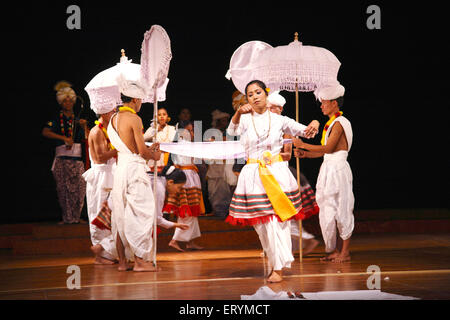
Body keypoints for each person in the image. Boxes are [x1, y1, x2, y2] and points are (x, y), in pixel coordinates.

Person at [226, 80, 319, 282]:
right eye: (250, 94)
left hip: (276, 174)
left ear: (266, 94)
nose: (255, 96)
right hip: (253, 175)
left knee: (276, 221)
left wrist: (315, 124)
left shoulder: (279, 120)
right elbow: (231, 131)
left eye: (258, 92)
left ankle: (278, 267)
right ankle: (277, 259)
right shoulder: (243, 119)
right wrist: (238, 113)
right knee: (261, 225)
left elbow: (305, 131)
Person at [293, 83, 354, 263]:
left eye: (324, 102)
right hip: (328, 168)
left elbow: (329, 148)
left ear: (334, 103)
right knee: (327, 209)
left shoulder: (341, 123)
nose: (321, 105)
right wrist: (305, 154)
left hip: (339, 170)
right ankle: (333, 249)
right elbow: (324, 152)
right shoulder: (330, 123)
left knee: (342, 207)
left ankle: (345, 252)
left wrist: (303, 144)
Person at [107, 75, 161, 272]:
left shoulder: (112, 118)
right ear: (136, 100)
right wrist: (155, 154)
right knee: (140, 213)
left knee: (120, 214)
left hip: (121, 169)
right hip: (134, 170)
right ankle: (140, 261)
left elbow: (128, 148)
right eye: (140, 101)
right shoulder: (134, 119)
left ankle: (123, 262)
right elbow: (141, 151)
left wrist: (148, 150)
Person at [266, 91, 320, 257]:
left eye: (275, 108)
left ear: (280, 109)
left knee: (284, 211)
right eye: (269, 108)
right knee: (270, 212)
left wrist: (268, 157)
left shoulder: (285, 127)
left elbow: (287, 154)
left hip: (283, 173)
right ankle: (272, 247)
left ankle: (306, 239)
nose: (271, 111)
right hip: (266, 173)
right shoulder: (262, 125)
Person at [42, 81, 89, 225]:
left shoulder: (78, 119)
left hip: (77, 159)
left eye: (70, 100)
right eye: (65, 100)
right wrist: (63, 138)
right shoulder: (57, 119)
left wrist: (85, 126)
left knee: (80, 189)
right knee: (64, 190)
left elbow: (87, 138)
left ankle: (76, 217)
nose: (67, 103)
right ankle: (67, 218)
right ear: (61, 102)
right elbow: (45, 132)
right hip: (62, 158)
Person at [82, 102, 118, 264]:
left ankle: (108, 252)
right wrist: (121, 147)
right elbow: (100, 157)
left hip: (111, 174)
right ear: (103, 113)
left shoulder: (110, 131)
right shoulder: (96, 132)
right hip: (100, 176)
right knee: (98, 213)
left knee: (111, 216)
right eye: (112, 111)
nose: (115, 114)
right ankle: (99, 254)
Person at [164, 120, 205, 252]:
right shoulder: (184, 145)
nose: (192, 133)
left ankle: (190, 241)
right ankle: (175, 240)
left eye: (192, 130)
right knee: (187, 211)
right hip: (187, 178)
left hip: (190, 176)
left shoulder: (181, 145)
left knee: (192, 211)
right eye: (190, 131)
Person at [206, 109, 235, 218]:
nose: (225, 123)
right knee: (214, 191)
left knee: (226, 191)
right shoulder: (211, 135)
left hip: (226, 166)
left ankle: (226, 213)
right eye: (223, 121)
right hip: (214, 166)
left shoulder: (228, 134)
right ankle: (216, 212)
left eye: (226, 121)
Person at [148, 165, 190, 231]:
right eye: (179, 187)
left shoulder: (155, 180)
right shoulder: (159, 188)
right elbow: (156, 218)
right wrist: (176, 225)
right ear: (170, 182)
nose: (178, 191)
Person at [144, 107, 177, 173]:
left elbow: (172, 143)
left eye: (164, 114)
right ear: (156, 117)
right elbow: (143, 139)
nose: (162, 116)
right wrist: (155, 131)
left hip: (167, 157)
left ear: (167, 116)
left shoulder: (172, 129)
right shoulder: (152, 129)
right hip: (154, 157)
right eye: (159, 115)